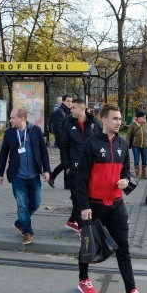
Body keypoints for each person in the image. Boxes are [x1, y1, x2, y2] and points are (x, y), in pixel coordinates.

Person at [76, 103, 147, 293]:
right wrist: (83, 206)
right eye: (115, 119)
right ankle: (83, 280)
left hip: (117, 204)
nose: (119, 122)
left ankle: (131, 292)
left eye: (120, 119)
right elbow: (80, 179)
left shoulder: (123, 145)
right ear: (104, 119)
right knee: (89, 247)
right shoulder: (91, 144)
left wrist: (126, 181)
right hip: (94, 206)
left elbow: (126, 172)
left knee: (123, 247)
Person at [0, 107, 51, 245]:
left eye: (12, 117)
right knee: (22, 205)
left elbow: (44, 152)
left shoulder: (35, 131)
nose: (10, 120)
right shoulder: (9, 133)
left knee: (35, 203)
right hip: (17, 176)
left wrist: (47, 170)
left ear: (21, 118)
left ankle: (19, 222)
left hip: (33, 175)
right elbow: (3, 154)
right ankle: (27, 232)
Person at [60, 98, 101, 233]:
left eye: (73, 108)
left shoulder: (95, 123)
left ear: (82, 109)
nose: (70, 110)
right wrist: (66, 167)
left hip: (92, 168)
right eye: (70, 108)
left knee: (87, 196)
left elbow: (100, 142)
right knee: (78, 198)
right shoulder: (67, 123)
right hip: (74, 168)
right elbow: (64, 147)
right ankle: (83, 229)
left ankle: (72, 221)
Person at [48, 94, 73, 188]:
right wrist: (62, 141)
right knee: (66, 162)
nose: (70, 103)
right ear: (63, 101)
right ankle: (52, 176)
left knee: (68, 162)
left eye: (71, 101)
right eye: (68, 101)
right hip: (63, 142)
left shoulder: (68, 112)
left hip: (68, 141)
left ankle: (67, 184)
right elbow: (57, 128)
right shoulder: (60, 112)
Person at [125, 111, 147, 179]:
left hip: (144, 145)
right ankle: (137, 174)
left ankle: (144, 173)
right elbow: (129, 135)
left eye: (145, 117)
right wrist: (127, 144)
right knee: (136, 159)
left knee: (144, 160)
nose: (145, 118)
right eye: (143, 117)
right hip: (135, 145)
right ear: (138, 117)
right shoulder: (133, 124)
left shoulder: (146, 124)